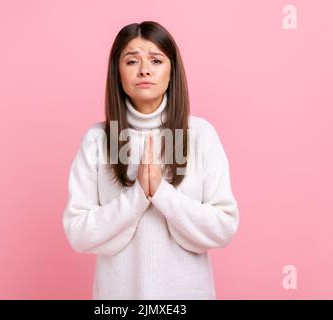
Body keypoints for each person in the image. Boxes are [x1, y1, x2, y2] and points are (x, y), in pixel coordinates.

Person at [62, 21, 240, 300]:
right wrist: (137, 197)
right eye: (132, 60)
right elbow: (79, 233)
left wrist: (162, 193)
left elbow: (223, 228)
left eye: (155, 60)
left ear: (172, 70)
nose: (144, 69)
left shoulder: (200, 135)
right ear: (117, 71)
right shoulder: (97, 140)